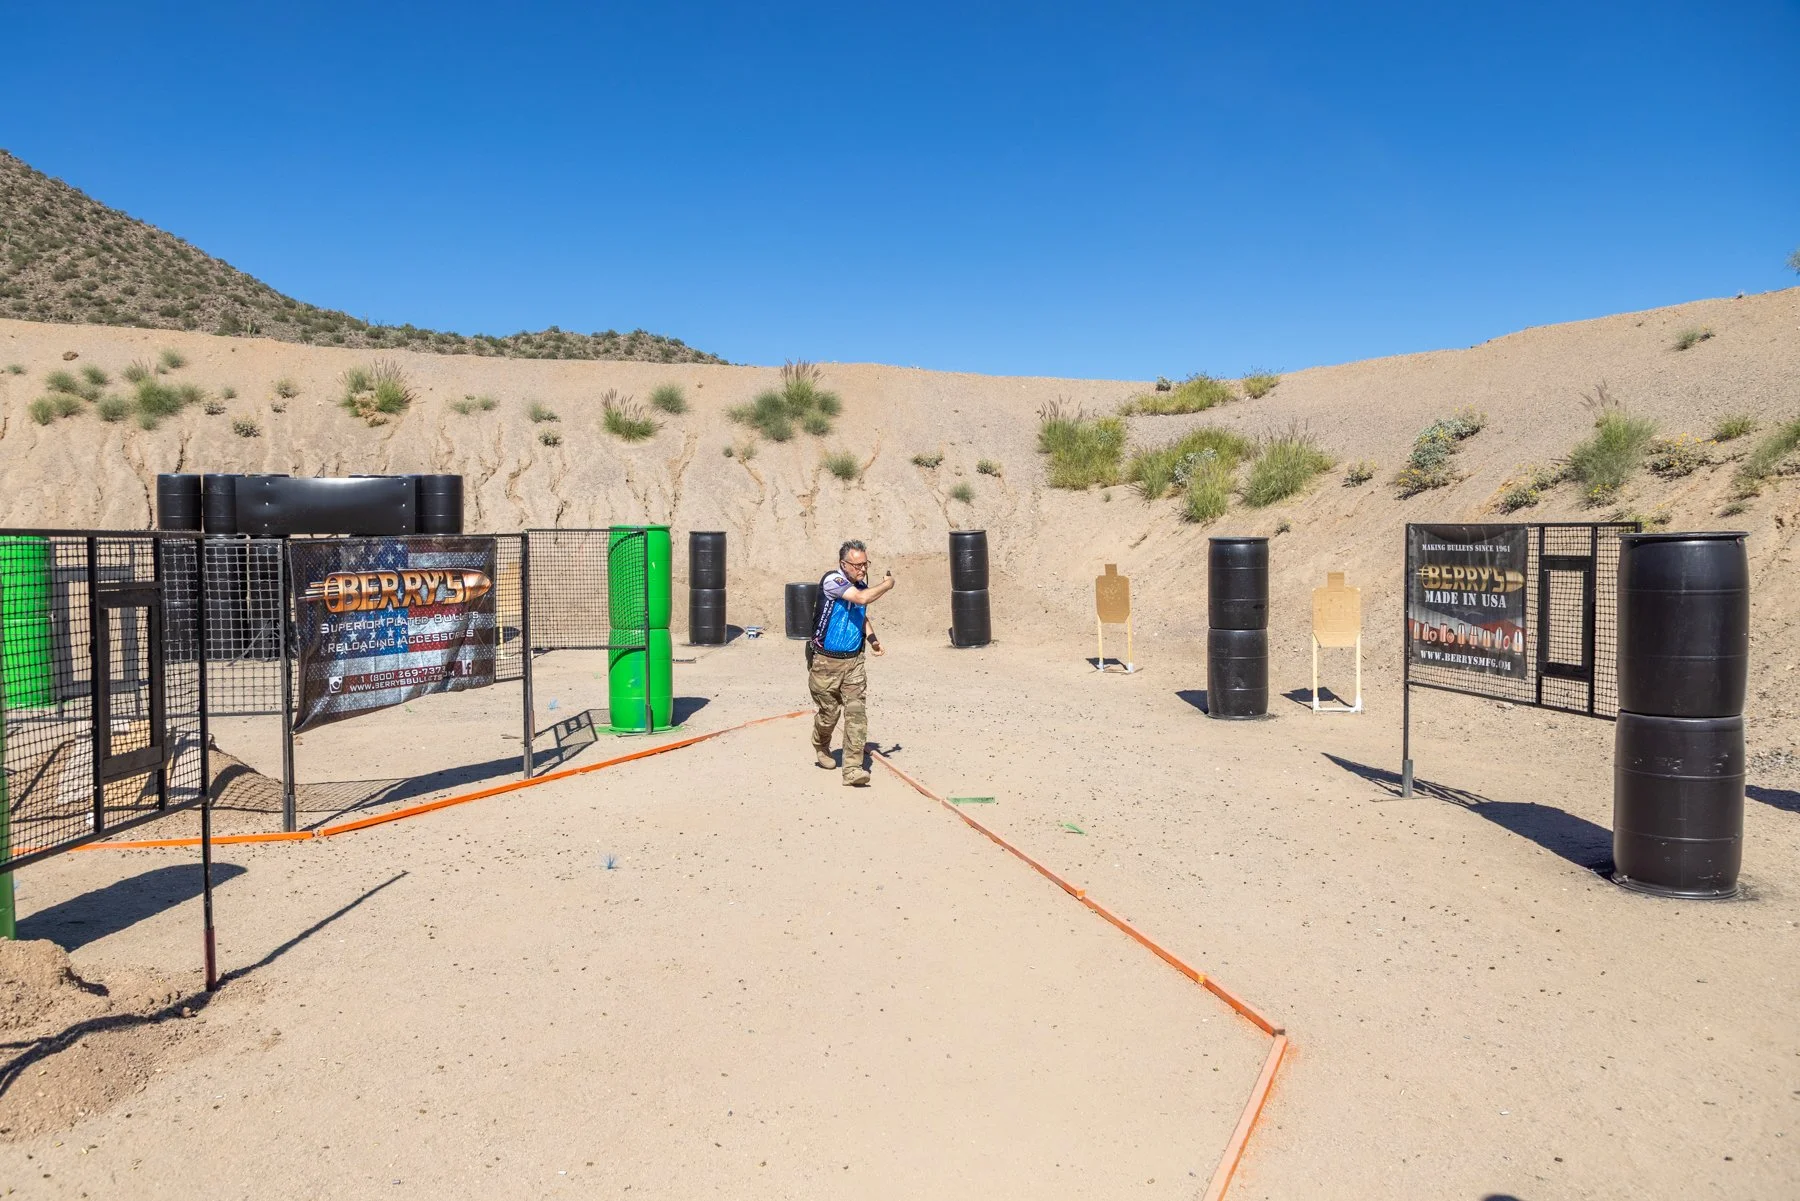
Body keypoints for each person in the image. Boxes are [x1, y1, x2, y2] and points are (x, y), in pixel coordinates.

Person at [808, 539, 893, 786]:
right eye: (857, 565)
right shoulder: (832, 581)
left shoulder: (860, 585)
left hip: (854, 661)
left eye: (865, 564)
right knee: (829, 713)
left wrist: (873, 640)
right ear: (843, 564)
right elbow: (862, 599)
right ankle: (821, 743)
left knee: (856, 714)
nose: (862, 569)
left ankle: (853, 769)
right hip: (826, 663)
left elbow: (861, 615)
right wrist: (887, 585)